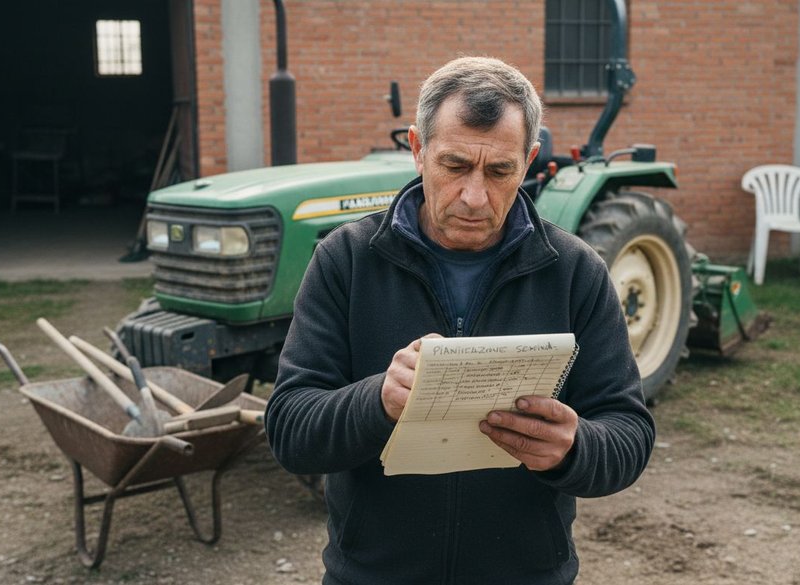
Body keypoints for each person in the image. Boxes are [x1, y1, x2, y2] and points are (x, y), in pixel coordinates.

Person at [265, 56, 654, 585]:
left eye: (500, 172)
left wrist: (574, 448)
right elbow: (290, 430)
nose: (475, 197)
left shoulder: (576, 272)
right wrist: (378, 398)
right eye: (454, 166)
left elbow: (629, 434)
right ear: (418, 149)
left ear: (531, 160)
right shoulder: (348, 260)